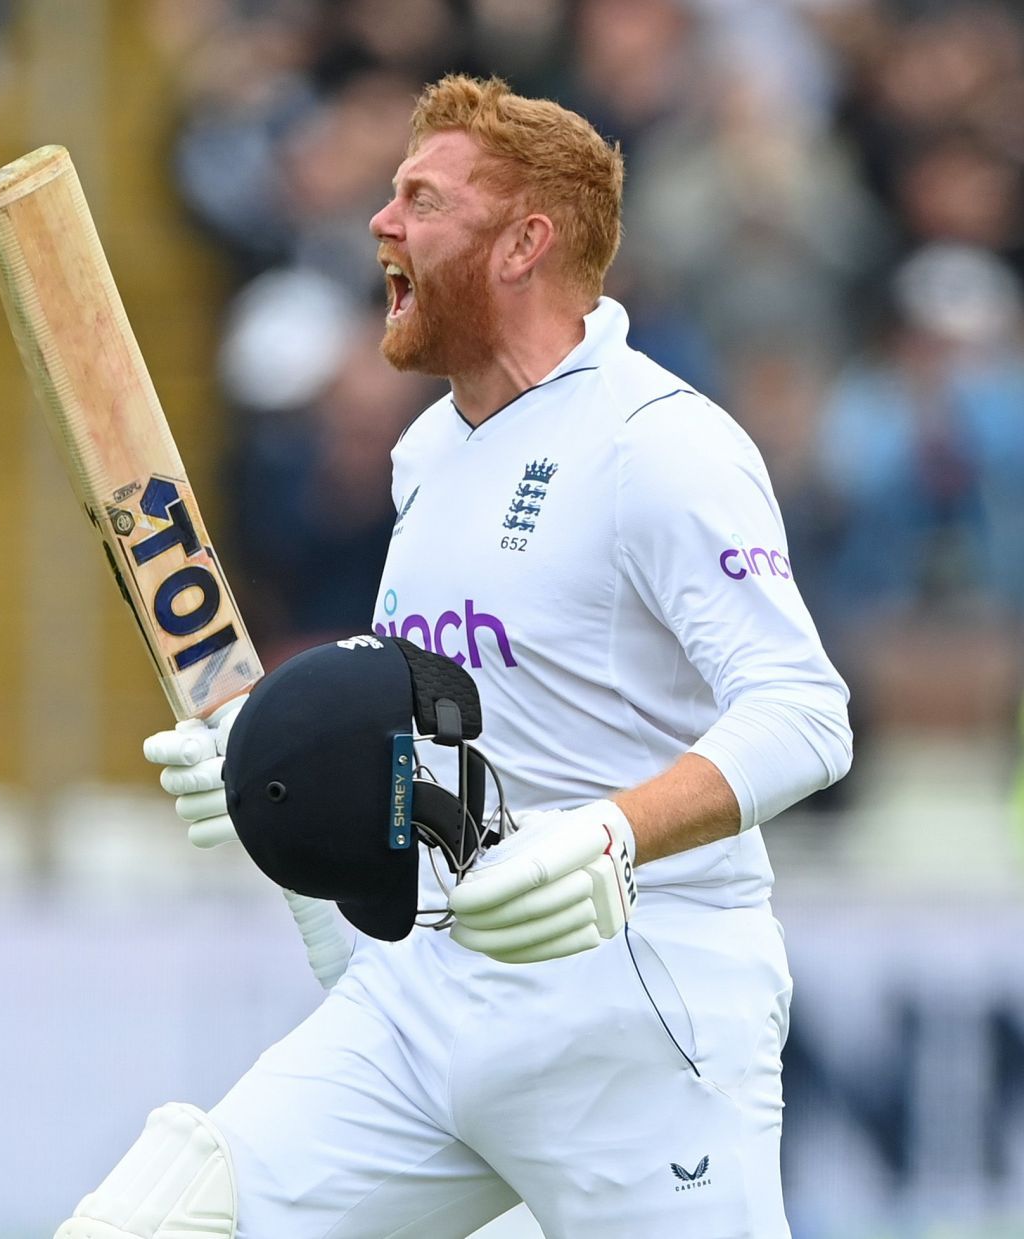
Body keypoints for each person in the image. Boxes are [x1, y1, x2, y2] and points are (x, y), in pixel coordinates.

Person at [56, 76, 852, 1238]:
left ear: (525, 241)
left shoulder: (661, 444)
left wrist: (609, 831)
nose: (381, 225)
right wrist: (266, 751)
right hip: (431, 994)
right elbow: (441, 704)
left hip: (634, 1006)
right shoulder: (429, 450)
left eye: (421, 200)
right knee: (155, 1221)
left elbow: (805, 713)